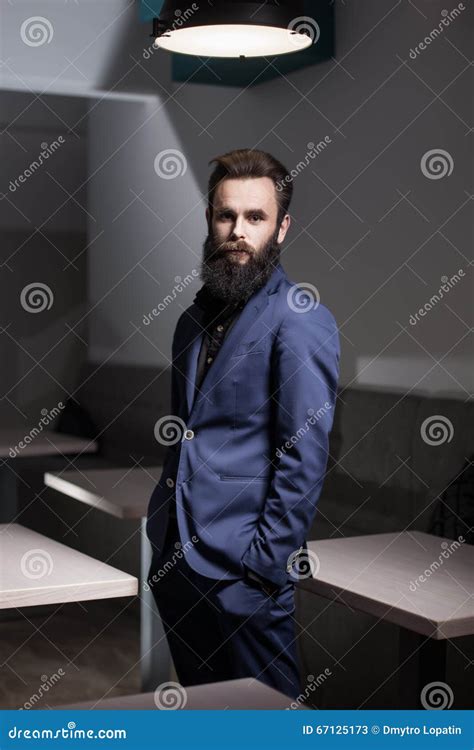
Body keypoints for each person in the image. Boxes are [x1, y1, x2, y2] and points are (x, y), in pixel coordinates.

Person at [146, 148, 340, 700]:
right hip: (176, 557)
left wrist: (263, 565)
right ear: (210, 221)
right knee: (209, 711)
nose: (237, 230)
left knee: (268, 717)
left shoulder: (300, 317)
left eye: (255, 218)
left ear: (281, 229)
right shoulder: (192, 318)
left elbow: (303, 455)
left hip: (245, 571)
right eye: (225, 215)